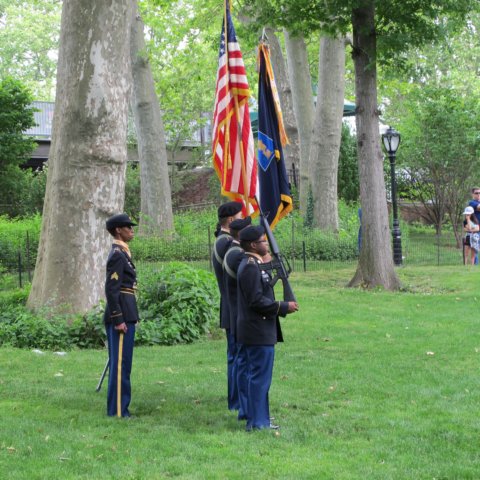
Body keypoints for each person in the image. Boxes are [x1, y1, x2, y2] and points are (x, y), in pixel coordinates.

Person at [237, 225, 298, 431]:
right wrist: (282, 306)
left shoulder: (255, 265)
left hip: (260, 329)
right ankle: (257, 422)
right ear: (254, 245)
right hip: (256, 329)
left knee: (261, 378)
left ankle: (261, 418)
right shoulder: (249, 267)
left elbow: (263, 290)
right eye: (264, 241)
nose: (266, 244)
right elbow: (255, 301)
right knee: (259, 379)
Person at [103, 213, 139, 417]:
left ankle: (120, 407)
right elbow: (112, 288)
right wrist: (118, 319)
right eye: (128, 227)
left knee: (124, 364)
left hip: (127, 311)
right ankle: (118, 410)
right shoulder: (117, 254)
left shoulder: (123, 252)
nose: (131, 229)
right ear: (118, 230)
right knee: (120, 365)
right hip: (121, 315)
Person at [211, 201, 243, 412]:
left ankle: (236, 400)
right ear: (231, 220)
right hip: (234, 307)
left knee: (235, 356)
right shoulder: (226, 243)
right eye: (240, 217)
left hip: (230, 307)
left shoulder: (222, 240)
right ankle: (236, 401)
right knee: (237, 357)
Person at [223, 216, 252, 421]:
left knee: (239, 359)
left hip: (235, 313)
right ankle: (240, 404)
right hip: (238, 314)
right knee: (240, 361)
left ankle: (239, 402)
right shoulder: (236, 255)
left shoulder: (234, 252)